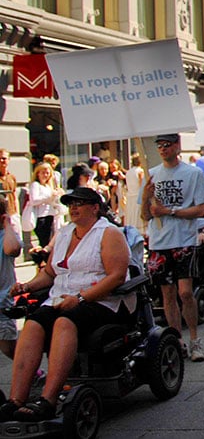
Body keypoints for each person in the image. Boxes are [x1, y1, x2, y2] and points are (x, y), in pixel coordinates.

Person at [2, 187, 133, 420]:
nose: (74, 207)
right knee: (33, 323)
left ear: (95, 208)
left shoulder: (108, 233)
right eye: (71, 203)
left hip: (101, 301)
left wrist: (81, 298)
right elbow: (51, 273)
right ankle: (16, 400)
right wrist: (28, 286)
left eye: (80, 203)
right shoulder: (64, 233)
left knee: (65, 321)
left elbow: (116, 276)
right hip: (61, 298)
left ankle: (48, 399)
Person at [142, 133, 204, 363]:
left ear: (176, 146)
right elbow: (146, 215)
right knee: (167, 295)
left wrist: (170, 211)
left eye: (166, 145)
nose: (162, 149)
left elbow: (201, 210)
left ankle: (194, 339)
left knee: (185, 292)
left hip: (184, 240)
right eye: (159, 145)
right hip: (159, 242)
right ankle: (176, 341)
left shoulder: (193, 173)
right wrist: (145, 197)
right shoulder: (151, 174)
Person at [0, 197, 21, 360]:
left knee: (9, 348)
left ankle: (33, 372)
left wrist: (7, 225)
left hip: (2, 302)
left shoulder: (6, 237)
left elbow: (13, 249)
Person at [24, 162, 61, 250]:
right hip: (41, 217)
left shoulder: (48, 186)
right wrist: (49, 196)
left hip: (50, 215)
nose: (45, 175)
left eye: (47, 173)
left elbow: (51, 201)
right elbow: (34, 200)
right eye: (43, 173)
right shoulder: (35, 185)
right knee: (44, 242)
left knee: (51, 242)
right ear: (38, 174)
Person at [123, 153, 145, 231]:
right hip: (138, 195)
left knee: (131, 215)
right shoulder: (140, 171)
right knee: (138, 215)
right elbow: (142, 184)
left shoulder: (128, 172)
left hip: (130, 196)